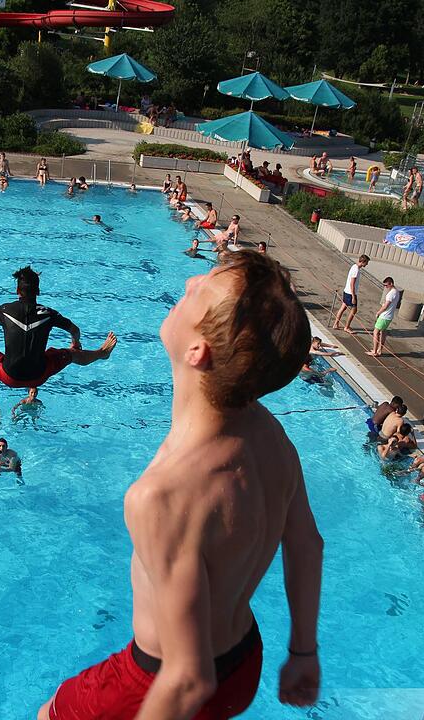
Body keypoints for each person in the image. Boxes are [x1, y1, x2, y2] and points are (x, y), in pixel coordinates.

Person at [37, 251, 321, 720]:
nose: (189, 279)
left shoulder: (160, 497)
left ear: (197, 352)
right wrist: (304, 653)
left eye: (201, 289)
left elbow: (189, 680)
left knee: (52, 714)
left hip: (162, 681)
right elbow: (307, 546)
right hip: (245, 661)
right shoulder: (270, 434)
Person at [334, 254, 369, 333]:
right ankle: (347, 327)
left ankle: (336, 324)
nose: (367, 264)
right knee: (354, 310)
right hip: (350, 293)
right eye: (366, 263)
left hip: (347, 291)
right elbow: (352, 283)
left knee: (343, 307)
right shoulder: (356, 270)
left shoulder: (354, 266)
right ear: (363, 262)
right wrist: (353, 296)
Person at [368, 277, 400, 357]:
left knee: (376, 332)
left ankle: (375, 351)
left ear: (391, 284)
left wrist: (378, 312)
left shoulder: (391, 293)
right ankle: (379, 350)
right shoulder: (397, 292)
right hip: (389, 316)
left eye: (386, 285)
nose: (385, 287)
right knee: (383, 332)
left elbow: (386, 306)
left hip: (385, 316)